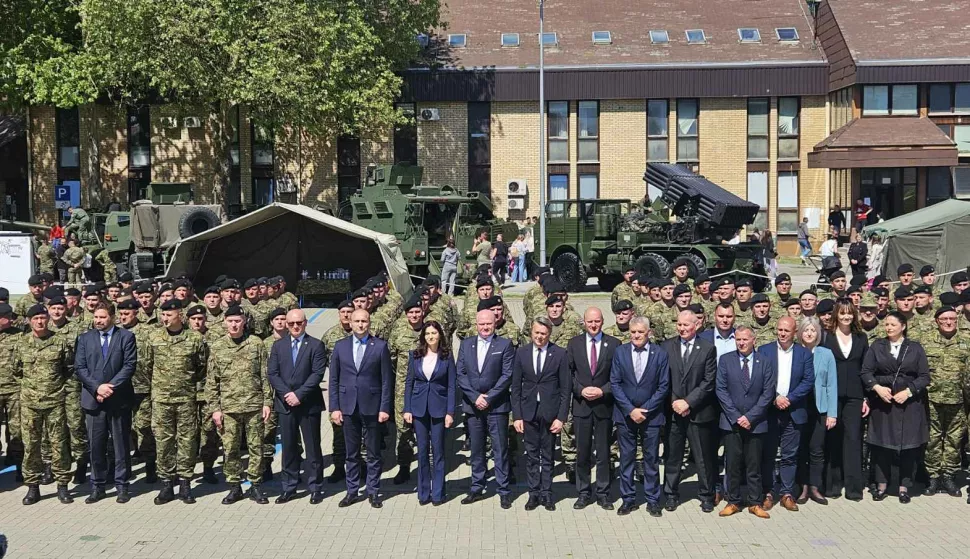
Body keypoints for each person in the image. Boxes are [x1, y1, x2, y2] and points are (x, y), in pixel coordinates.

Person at [860, 312, 930, 503]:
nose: (889, 328)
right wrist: (877, 387)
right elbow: (866, 372)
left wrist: (909, 391)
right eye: (886, 324)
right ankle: (881, 485)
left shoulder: (915, 348)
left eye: (893, 324)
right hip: (883, 403)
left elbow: (924, 376)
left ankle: (904, 487)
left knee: (908, 447)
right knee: (882, 445)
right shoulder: (877, 346)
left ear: (903, 326)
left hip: (909, 404)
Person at [207, 306, 272, 505]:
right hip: (229, 407)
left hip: (254, 405)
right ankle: (234, 486)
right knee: (230, 449)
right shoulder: (217, 346)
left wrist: (267, 402)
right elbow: (212, 381)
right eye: (230, 321)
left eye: (237, 321)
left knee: (256, 447)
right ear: (225, 322)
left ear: (244, 322)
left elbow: (265, 375)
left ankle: (255, 485)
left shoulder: (256, 343)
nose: (234, 325)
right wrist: (215, 409)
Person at [329, 309, 392, 509]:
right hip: (348, 405)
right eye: (357, 321)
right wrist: (334, 407)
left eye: (364, 321)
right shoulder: (340, 346)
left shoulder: (380, 346)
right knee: (351, 452)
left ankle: (373, 491)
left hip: (372, 406)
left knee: (373, 452)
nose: (360, 324)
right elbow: (334, 379)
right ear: (351, 323)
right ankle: (352, 491)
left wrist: (384, 408)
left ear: (369, 322)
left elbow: (386, 380)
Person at [74, 303, 137, 504]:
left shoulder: (126, 337)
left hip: (118, 400)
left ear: (112, 317)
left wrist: (110, 388)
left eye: (102, 317)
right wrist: (97, 388)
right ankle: (97, 486)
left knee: (120, 445)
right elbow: (80, 368)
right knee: (96, 445)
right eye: (96, 317)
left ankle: (122, 486)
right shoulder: (85, 339)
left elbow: (129, 366)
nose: (98, 321)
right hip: (94, 400)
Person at [147, 299, 207, 505]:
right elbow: (147, 366)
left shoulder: (194, 338)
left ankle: (185, 483)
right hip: (161, 399)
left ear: (180, 316)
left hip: (185, 399)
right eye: (163, 314)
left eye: (169, 315)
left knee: (187, 440)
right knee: (163, 441)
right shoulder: (154, 337)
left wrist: (188, 386)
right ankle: (166, 483)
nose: (165, 318)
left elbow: (201, 367)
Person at [611, 316, 670, 517]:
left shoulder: (660, 354)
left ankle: (653, 500)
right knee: (626, 459)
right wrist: (631, 410)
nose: (636, 336)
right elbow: (615, 383)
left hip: (651, 416)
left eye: (640, 332)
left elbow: (663, 386)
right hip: (625, 416)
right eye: (633, 332)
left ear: (649, 333)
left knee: (651, 459)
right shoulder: (620, 352)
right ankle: (628, 499)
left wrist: (645, 409)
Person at [456, 309, 515, 509]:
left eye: (488, 323)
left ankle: (503, 490)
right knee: (476, 449)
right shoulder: (466, 344)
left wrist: (489, 397)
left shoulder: (505, 345)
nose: (485, 327)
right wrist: (475, 397)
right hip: (474, 407)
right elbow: (460, 374)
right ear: (476, 324)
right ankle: (476, 487)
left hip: (496, 406)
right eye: (481, 324)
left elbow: (507, 375)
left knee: (500, 449)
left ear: (495, 323)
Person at [661, 310, 719, 513]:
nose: (682, 328)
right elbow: (663, 379)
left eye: (686, 325)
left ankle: (706, 495)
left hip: (698, 412)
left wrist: (688, 402)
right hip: (673, 411)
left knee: (703, 457)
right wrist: (675, 402)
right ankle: (670, 494)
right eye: (679, 324)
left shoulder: (708, 348)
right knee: (673, 456)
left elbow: (708, 381)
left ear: (697, 325)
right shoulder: (666, 346)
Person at [268, 309, 328, 504]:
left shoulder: (316, 345)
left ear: (305, 323)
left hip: (308, 404)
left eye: (299, 323)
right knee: (289, 448)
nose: (295, 326)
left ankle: (315, 487)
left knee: (312, 448)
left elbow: (317, 374)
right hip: (285, 404)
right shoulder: (278, 346)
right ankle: (289, 487)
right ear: (286, 324)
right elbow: (273, 373)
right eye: (291, 323)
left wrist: (299, 395)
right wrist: (287, 394)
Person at [716, 326, 776, 519]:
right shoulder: (726, 360)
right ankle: (733, 501)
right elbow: (721, 390)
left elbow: (768, 393)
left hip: (756, 423)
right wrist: (736, 416)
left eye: (745, 339)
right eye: (738, 340)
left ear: (753, 340)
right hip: (732, 423)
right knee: (732, 464)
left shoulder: (765, 362)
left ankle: (755, 502)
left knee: (754, 465)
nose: (741, 343)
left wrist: (750, 417)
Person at [16, 305, 73, 505]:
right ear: (29, 321)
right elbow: (16, 371)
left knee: (59, 444)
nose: (40, 322)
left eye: (43, 318)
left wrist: (56, 389)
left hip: (54, 402)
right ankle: (33, 487)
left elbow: (68, 368)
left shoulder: (60, 342)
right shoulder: (22, 343)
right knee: (31, 445)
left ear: (48, 319)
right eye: (36, 318)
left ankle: (62, 485)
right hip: (30, 404)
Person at [512, 316, 570, 511]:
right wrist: (517, 416)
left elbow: (566, 389)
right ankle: (533, 494)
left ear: (549, 334)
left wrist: (561, 418)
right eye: (536, 333)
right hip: (528, 412)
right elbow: (516, 388)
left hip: (550, 413)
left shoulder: (560, 354)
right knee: (531, 456)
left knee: (548, 455)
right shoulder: (521, 353)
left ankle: (547, 494)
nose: (539, 337)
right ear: (531, 332)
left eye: (543, 334)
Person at [758, 317, 815, 513]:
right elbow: (760, 379)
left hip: (794, 411)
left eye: (786, 330)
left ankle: (786, 493)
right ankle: (768, 492)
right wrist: (775, 398)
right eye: (780, 329)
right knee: (768, 454)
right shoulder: (764, 350)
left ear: (794, 332)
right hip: (770, 411)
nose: (782, 333)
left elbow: (808, 381)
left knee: (790, 455)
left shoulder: (803, 353)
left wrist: (789, 399)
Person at [567, 307, 620, 510]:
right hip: (582, 406)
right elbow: (568, 374)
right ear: (584, 322)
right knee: (582, 452)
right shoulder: (574, 344)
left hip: (603, 406)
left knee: (604, 453)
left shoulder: (613, 344)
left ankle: (603, 493)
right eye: (590, 321)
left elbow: (617, 376)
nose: (593, 325)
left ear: (602, 321)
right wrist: (580, 390)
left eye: (597, 321)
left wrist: (603, 391)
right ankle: (583, 493)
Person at [403, 321, 456, 506]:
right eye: (427, 334)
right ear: (423, 336)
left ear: (440, 335)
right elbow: (409, 383)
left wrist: (450, 412)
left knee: (438, 451)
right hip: (419, 409)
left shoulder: (447, 356)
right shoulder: (415, 355)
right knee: (423, 451)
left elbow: (451, 386)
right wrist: (407, 408)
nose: (431, 336)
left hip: (439, 409)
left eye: (434, 333)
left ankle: (438, 493)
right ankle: (424, 492)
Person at [919, 307, 969, 498]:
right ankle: (933, 477)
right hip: (932, 399)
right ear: (937, 321)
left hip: (959, 401)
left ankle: (949, 476)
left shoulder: (966, 341)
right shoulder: (925, 342)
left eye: (952, 319)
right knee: (932, 439)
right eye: (944, 319)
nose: (949, 322)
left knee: (954, 440)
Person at [794, 316, 837, 506]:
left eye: (813, 330)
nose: (809, 333)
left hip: (819, 408)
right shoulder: (795, 352)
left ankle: (815, 487)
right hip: (799, 408)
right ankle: (802, 487)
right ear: (800, 333)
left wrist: (832, 413)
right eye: (806, 330)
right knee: (800, 450)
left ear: (818, 334)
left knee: (817, 450)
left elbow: (831, 384)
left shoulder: (826, 354)